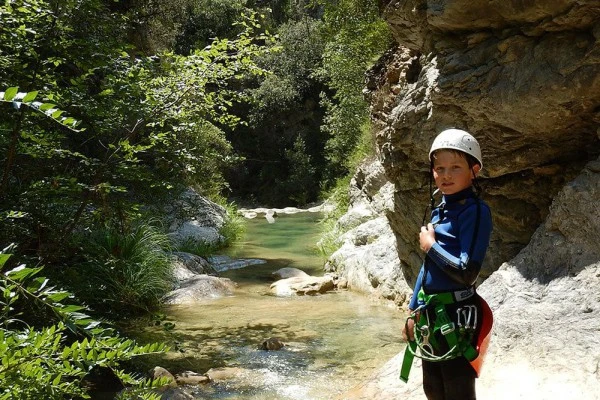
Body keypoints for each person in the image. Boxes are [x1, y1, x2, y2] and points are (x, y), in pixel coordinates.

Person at [400, 128, 493, 400]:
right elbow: (428, 267)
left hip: (459, 314)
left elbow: (467, 272)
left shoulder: (475, 211)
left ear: (473, 170)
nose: (446, 175)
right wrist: (413, 310)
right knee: (433, 389)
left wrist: (431, 245)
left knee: (458, 390)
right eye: (439, 168)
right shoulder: (441, 209)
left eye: (456, 167)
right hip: (431, 314)